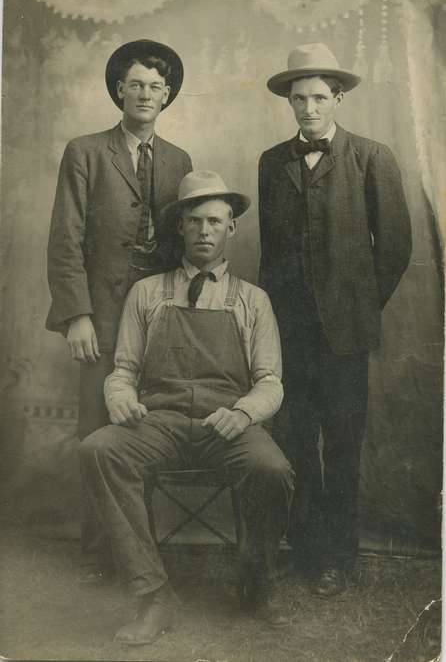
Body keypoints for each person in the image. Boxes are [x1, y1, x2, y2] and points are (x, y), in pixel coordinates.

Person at [80, 170, 294, 645]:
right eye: (195, 221)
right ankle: (154, 594)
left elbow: (270, 382)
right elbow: (123, 368)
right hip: (161, 423)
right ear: (179, 226)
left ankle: (257, 583)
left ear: (231, 228)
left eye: (214, 222)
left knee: (272, 469)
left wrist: (241, 414)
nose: (204, 231)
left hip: (229, 426)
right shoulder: (148, 293)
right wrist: (121, 400)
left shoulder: (253, 301)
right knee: (99, 450)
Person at [258, 43, 412, 596]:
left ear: (338, 98)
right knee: (295, 443)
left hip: (345, 337)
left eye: (319, 97)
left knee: (343, 447)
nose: (308, 108)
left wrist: (354, 308)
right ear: (290, 103)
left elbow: (394, 249)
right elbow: (271, 254)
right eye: (299, 98)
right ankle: (304, 551)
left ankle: (337, 560)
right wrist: (272, 326)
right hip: (289, 334)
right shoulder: (272, 162)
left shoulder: (372, 157)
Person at [46, 39, 192, 584]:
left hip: (158, 315)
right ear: (118, 91)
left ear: (168, 94)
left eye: (156, 86)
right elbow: (65, 238)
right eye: (136, 85)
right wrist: (76, 315)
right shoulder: (86, 151)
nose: (146, 94)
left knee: (145, 423)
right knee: (97, 428)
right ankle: (100, 554)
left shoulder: (179, 160)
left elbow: (181, 245)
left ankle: (141, 551)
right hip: (101, 314)